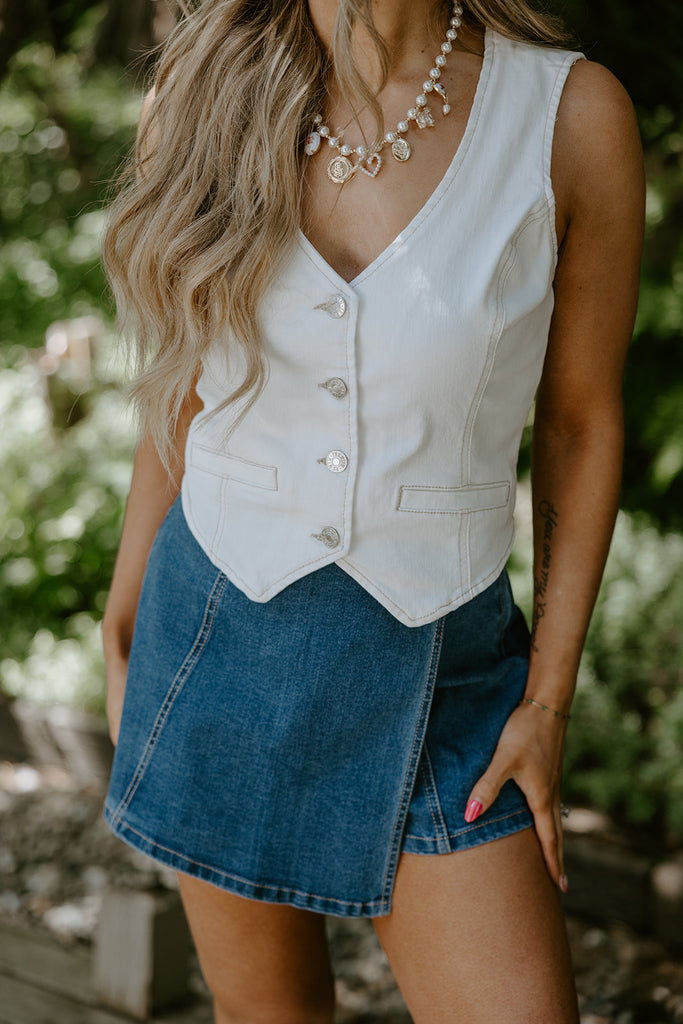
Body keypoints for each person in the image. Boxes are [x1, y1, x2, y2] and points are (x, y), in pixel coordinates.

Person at [101, 1, 645, 1021]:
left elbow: (578, 423)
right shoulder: (201, 81)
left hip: (447, 671)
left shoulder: (569, 116)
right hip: (217, 631)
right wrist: (125, 603)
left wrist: (546, 698)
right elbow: (178, 380)